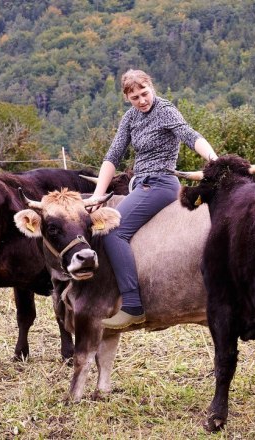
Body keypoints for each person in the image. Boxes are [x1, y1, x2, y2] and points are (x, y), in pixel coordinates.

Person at [86, 69, 218, 329]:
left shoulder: (166, 110)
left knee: (113, 231)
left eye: (144, 93)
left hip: (160, 184)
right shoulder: (130, 117)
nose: (141, 100)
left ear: (152, 88)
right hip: (140, 186)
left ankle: (133, 305)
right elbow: (113, 156)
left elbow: (191, 136)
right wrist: (99, 194)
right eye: (134, 97)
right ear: (127, 98)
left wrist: (214, 161)